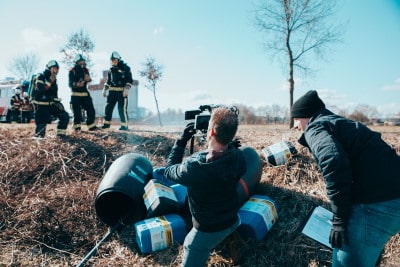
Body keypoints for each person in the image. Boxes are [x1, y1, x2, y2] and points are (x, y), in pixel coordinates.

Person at [291, 90, 400, 267]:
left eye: (296, 119)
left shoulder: (315, 127)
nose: (295, 126)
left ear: (306, 116)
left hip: (376, 204)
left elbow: (333, 161)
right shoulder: (341, 124)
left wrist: (339, 219)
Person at [164, 106, 247, 267]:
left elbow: (168, 170)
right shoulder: (238, 156)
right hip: (233, 218)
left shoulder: (194, 167)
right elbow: (225, 158)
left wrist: (180, 142)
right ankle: (234, 241)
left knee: (191, 245)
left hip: (207, 228)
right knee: (227, 227)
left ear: (211, 132)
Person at [31, 60, 70, 138]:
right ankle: (38, 138)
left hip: (51, 104)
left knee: (64, 116)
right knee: (41, 129)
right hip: (41, 106)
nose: (56, 71)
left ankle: (61, 135)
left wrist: (58, 103)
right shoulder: (41, 76)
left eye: (57, 69)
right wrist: (50, 81)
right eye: (55, 68)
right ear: (49, 68)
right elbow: (41, 90)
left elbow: (53, 93)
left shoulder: (54, 79)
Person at [101, 51, 134, 131]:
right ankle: (106, 125)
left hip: (122, 92)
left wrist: (127, 88)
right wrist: (105, 89)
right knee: (108, 108)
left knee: (121, 109)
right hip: (112, 92)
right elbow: (109, 81)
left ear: (118, 60)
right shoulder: (110, 70)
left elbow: (129, 79)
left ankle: (124, 126)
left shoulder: (126, 68)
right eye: (112, 60)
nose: (114, 62)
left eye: (115, 60)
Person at [68, 54, 98, 131]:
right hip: (75, 94)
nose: (82, 63)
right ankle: (77, 127)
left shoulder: (86, 70)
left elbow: (89, 79)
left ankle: (91, 126)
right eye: (80, 62)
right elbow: (70, 83)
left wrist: (88, 79)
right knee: (77, 112)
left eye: (83, 61)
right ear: (77, 62)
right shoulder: (72, 71)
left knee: (91, 109)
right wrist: (76, 84)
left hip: (85, 94)